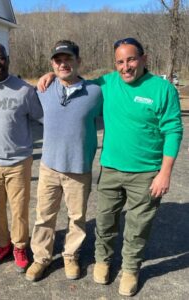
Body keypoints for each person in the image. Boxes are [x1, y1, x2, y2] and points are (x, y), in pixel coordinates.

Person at [38, 37, 183, 296]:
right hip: (111, 169)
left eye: (131, 59)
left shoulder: (163, 89)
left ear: (144, 59)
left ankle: (130, 269)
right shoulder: (105, 84)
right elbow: (72, 80)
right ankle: (103, 261)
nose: (125, 67)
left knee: (138, 227)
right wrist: (51, 72)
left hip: (147, 171)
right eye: (120, 62)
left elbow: (173, 130)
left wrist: (165, 172)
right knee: (105, 222)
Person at [25, 40, 103, 282]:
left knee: (77, 218)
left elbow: (116, 96)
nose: (63, 64)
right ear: (52, 64)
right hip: (49, 166)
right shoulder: (44, 90)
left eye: (68, 59)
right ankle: (41, 258)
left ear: (78, 62)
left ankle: (70, 255)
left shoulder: (96, 92)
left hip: (79, 168)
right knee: (44, 216)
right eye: (58, 61)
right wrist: (45, 76)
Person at [0, 42, 43, 273]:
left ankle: (20, 246)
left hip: (18, 163)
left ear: (8, 59)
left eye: (0, 58)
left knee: (19, 209)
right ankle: (3, 244)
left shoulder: (25, 90)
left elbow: (45, 118)